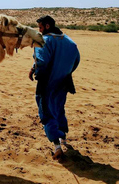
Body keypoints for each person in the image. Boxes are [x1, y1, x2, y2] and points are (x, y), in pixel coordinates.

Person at [29, 15, 80, 160]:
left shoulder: (44, 41)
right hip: (63, 82)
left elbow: (41, 61)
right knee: (59, 108)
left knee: (46, 111)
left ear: (47, 26)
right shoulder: (70, 41)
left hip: (48, 83)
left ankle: (57, 146)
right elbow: (76, 61)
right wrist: (65, 72)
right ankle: (63, 138)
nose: (39, 31)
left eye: (40, 27)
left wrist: (37, 72)